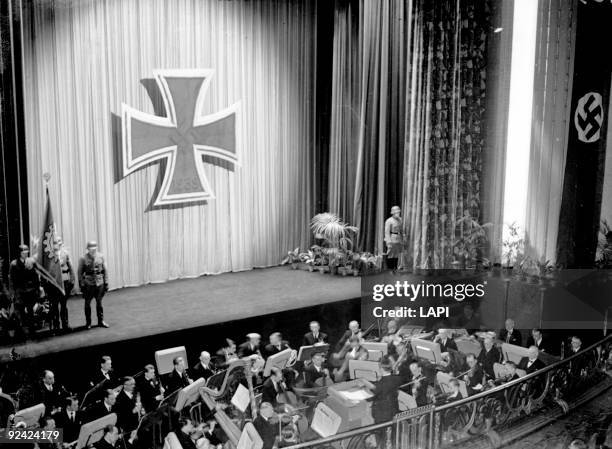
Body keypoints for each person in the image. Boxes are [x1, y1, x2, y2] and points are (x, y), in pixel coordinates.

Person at [9, 245, 40, 338]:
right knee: (20, 312)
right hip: (20, 291)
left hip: (30, 291)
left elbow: (35, 276)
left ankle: (32, 331)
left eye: (26, 252)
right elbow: (11, 280)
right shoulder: (14, 264)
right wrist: (12, 293)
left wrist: (37, 288)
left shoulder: (31, 262)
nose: (25, 254)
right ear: (20, 253)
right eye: (23, 253)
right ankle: (22, 332)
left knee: (30, 311)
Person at [78, 241, 108, 329]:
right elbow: (79, 272)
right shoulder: (83, 258)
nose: (93, 250)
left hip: (99, 282)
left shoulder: (101, 256)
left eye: (95, 248)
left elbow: (105, 270)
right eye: (91, 249)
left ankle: (101, 321)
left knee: (99, 303)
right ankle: (88, 322)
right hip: (88, 283)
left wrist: (106, 282)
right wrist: (81, 284)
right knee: (87, 303)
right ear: (87, 249)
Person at [363, 357, 403, 423]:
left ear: (381, 369)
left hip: (381, 414)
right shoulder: (397, 379)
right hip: (393, 410)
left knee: (381, 431)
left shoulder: (380, 384)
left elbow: (369, 398)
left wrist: (366, 387)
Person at [54, 236, 74, 332]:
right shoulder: (49, 255)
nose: (58, 243)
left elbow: (70, 267)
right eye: (56, 241)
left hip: (65, 280)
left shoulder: (65, 253)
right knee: (54, 305)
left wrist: (72, 279)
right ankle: (56, 326)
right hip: (54, 282)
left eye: (60, 241)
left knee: (63, 304)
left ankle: (65, 324)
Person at [384, 205, 403, 273]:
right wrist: (388, 242)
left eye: (398, 212)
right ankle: (390, 270)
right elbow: (387, 232)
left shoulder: (400, 220)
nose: (398, 213)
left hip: (399, 239)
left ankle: (395, 269)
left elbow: (401, 230)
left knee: (397, 255)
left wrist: (403, 239)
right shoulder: (389, 221)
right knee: (391, 255)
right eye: (396, 212)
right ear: (393, 213)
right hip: (392, 238)